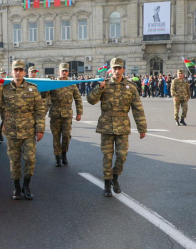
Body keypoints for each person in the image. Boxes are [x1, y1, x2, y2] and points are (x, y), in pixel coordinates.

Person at [87, 58, 147, 197]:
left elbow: (137, 109)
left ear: (123, 70)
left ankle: (115, 176)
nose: (117, 71)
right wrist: (99, 88)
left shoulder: (130, 87)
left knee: (122, 155)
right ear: (111, 70)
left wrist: (142, 128)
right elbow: (91, 100)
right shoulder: (104, 85)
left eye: (119, 68)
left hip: (122, 126)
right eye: (114, 68)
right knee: (107, 156)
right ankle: (107, 183)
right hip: (106, 125)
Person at [0, 60, 46, 200]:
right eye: (15, 69)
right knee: (14, 160)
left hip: (28, 129)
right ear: (12, 72)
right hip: (12, 130)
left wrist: (40, 129)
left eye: (20, 70)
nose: (18, 72)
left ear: (24, 72)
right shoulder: (5, 89)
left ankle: (26, 185)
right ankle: (16, 187)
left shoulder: (32, 89)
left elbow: (40, 110)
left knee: (30, 158)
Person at [48, 63, 83, 167]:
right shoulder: (53, 83)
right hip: (55, 114)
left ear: (68, 72)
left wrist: (79, 112)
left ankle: (64, 154)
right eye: (62, 70)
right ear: (58, 72)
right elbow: (44, 95)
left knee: (66, 136)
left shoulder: (71, 84)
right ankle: (57, 157)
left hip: (67, 114)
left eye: (66, 71)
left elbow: (78, 99)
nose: (64, 72)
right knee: (56, 136)